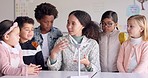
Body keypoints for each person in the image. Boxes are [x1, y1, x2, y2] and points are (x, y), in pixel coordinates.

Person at [34, 3, 63, 70]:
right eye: (46, 22)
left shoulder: (57, 33)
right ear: (38, 20)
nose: (49, 24)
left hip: (53, 66)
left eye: (51, 22)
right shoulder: (33, 34)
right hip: (37, 67)